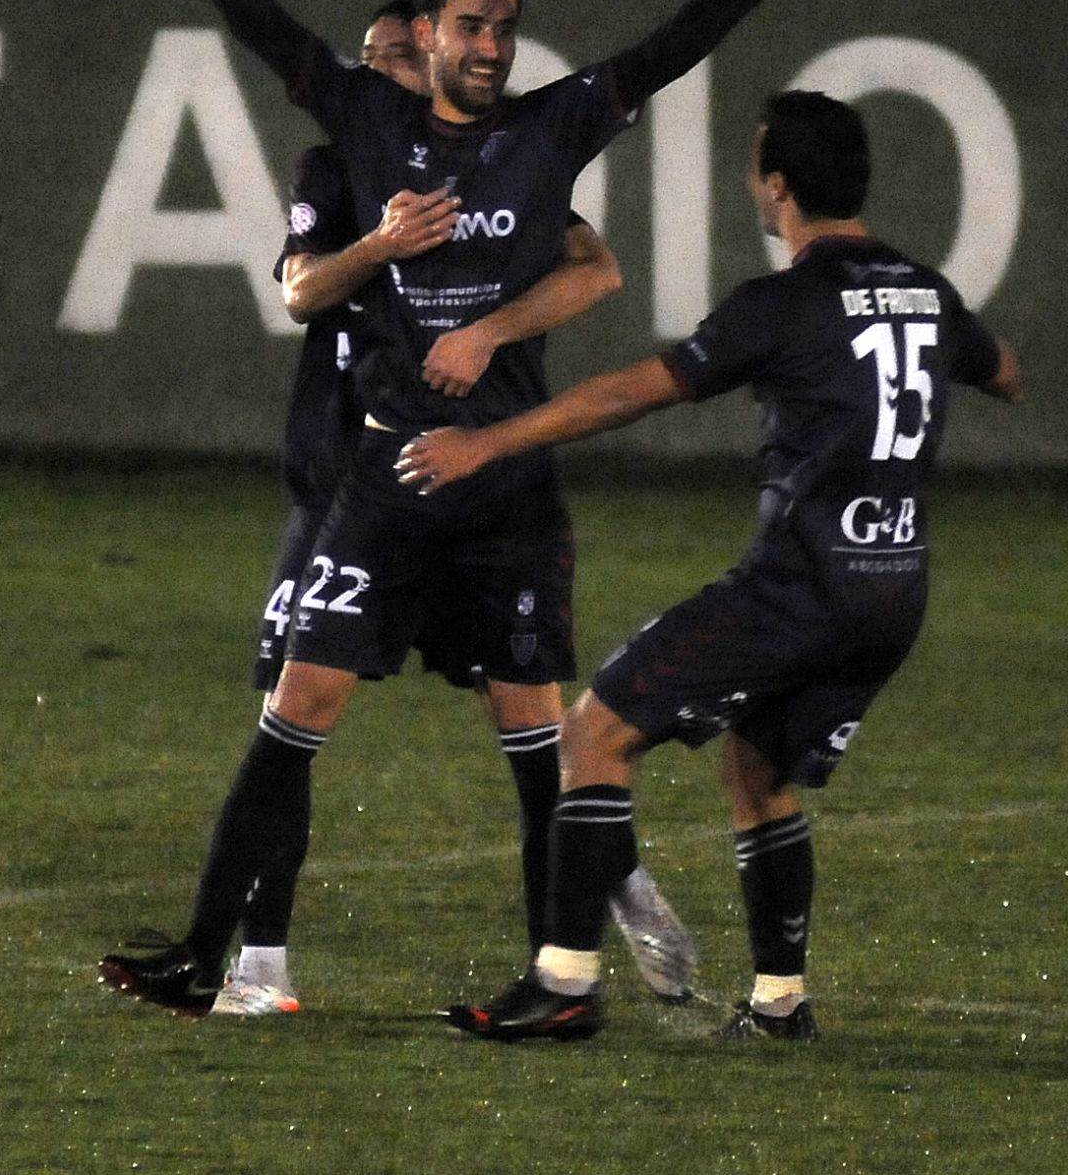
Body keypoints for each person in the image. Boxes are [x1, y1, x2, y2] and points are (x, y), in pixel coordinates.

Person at [96, 0, 866, 1016]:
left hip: (504, 486)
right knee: (294, 711)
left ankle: (557, 980)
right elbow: (259, 27)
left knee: (538, 749)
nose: (491, 44)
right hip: (388, 476)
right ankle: (231, 961)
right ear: (431, 34)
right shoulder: (367, 122)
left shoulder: (548, 130)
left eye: (504, 28)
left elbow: (673, 47)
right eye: (471, 26)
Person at [395, 91, 1026, 1042]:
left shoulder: (781, 303)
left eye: (756, 170)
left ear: (778, 187)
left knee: (593, 736)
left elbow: (629, 392)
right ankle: (780, 1002)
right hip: (893, 586)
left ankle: (565, 983)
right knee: (757, 764)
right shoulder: (925, 291)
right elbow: (1005, 369)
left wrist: (487, 444)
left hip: (801, 586)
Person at [221, 0, 696, 1016]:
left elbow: (599, 267)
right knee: (287, 716)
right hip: (351, 484)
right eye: (376, 59)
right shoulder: (335, 171)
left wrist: (486, 329)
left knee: (531, 728)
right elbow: (301, 292)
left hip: (476, 485)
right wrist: (381, 247)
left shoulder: (494, 172)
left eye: (404, 56)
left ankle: (598, 902)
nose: (389, 74)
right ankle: (260, 962)